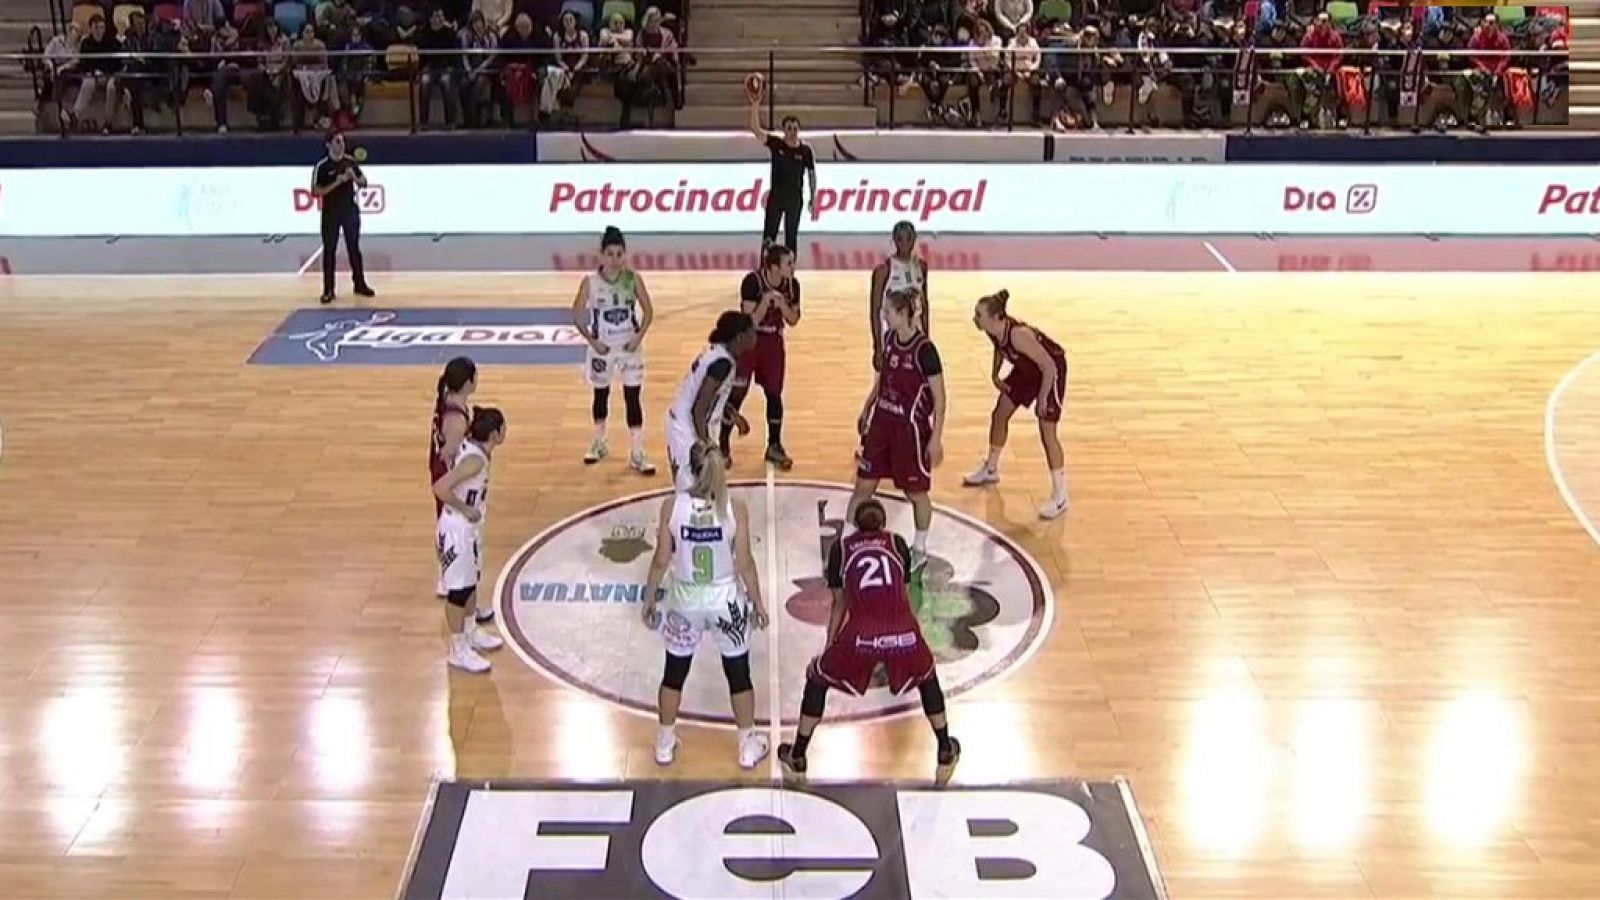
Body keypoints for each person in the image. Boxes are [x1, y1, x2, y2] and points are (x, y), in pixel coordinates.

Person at [777, 497, 960, 780]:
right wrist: (913, 633)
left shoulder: (842, 549)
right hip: (904, 631)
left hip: (861, 634)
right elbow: (905, 593)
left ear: (855, 527)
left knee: (818, 676)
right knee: (927, 676)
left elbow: (840, 603)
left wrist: (830, 643)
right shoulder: (898, 544)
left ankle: (798, 754)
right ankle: (945, 748)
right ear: (884, 525)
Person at [639, 444, 771, 769]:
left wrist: (649, 597)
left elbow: (660, 560)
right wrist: (758, 603)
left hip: (685, 599)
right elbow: (746, 563)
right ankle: (746, 745)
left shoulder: (672, 506)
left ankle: (665, 742)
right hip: (725, 599)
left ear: (689, 469)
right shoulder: (734, 508)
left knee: (674, 673)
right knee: (738, 674)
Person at [848, 288, 945, 572]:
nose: (884, 316)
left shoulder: (925, 351)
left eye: (888, 311)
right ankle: (847, 541)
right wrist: (867, 407)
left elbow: (940, 398)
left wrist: (936, 438)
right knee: (863, 485)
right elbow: (882, 381)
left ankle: (920, 548)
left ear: (902, 315)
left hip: (909, 431)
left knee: (915, 493)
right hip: (881, 424)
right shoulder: (890, 339)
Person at [964, 289, 1070, 519]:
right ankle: (991, 469)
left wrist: (1043, 397)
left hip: (1050, 371)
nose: (975, 319)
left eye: (978, 315)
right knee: (999, 414)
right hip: (1027, 370)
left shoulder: (1019, 335)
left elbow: (1049, 366)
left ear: (995, 317)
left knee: (1047, 431)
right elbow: (998, 350)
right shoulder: (993, 330)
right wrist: (995, 375)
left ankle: (1061, 495)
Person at [572, 226, 656, 475]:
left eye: (620, 254)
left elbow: (649, 311)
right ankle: (599, 442)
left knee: (633, 397)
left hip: (630, 349)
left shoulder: (633, 279)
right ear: (601, 255)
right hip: (603, 350)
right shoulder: (590, 283)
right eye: (610, 254)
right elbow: (576, 315)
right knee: (601, 396)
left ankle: (637, 452)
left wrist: (638, 337)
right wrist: (592, 341)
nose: (615, 259)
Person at [432, 406, 507, 673]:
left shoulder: (477, 450)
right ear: (496, 433)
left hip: (470, 528)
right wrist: (465, 509)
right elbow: (440, 488)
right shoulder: (474, 461)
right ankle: (457, 649)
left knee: (472, 581)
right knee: (458, 591)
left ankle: (471, 630)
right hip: (457, 529)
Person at [429, 357, 496, 624]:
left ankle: (459, 591)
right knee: (458, 535)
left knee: (457, 536)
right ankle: (454, 587)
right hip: (448, 479)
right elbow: (448, 454)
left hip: (441, 473)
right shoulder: (456, 420)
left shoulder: (449, 400)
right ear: (468, 382)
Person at [721, 244, 800, 469]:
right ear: (775, 267)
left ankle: (774, 445)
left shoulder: (792, 286)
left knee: (774, 394)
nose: (793, 267)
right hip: (749, 341)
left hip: (773, 342)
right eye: (788, 263)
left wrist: (782, 304)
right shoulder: (752, 282)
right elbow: (750, 321)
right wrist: (765, 302)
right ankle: (722, 444)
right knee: (737, 393)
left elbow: (793, 319)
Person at [666, 312, 757, 493]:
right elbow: (699, 409)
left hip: (686, 424)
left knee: (706, 490)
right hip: (686, 429)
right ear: (740, 337)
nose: (755, 336)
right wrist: (706, 446)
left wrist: (733, 415)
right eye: (751, 332)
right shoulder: (721, 364)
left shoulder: (719, 354)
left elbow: (711, 398)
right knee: (692, 492)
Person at [311, 131, 374, 305]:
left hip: (349, 210)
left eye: (342, 141)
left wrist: (353, 177)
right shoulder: (322, 166)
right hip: (330, 212)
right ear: (328, 145)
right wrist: (336, 182)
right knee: (329, 250)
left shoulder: (350, 162)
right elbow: (316, 191)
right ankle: (328, 290)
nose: (341, 144)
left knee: (354, 248)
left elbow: (364, 183)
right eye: (337, 141)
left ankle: (359, 284)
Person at [748, 97, 816, 252]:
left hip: (794, 199)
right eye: (789, 128)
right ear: (784, 130)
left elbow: (811, 175)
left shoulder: (805, 151)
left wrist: (813, 197)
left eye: (795, 128)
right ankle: (764, 269)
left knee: (791, 238)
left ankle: (789, 273)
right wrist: (755, 105)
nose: (792, 132)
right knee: (769, 236)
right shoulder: (776, 144)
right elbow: (756, 129)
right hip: (776, 197)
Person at [868, 221, 929, 370]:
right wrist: (877, 348)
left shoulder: (921, 266)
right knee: (888, 386)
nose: (905, 243)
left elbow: (925, 304)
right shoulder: (883, 270)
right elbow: (875, 311)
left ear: (914, 239)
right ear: (894, 240)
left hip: (915, 335)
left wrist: (927, 338)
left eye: (909, 238)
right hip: (891, 337)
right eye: (900, 239)